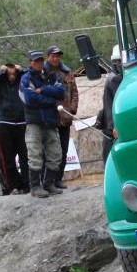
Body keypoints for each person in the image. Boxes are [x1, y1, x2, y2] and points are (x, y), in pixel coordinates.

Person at [21, 52, 70, 196]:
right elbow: (29, 99)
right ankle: (35, 187)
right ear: (30, 62)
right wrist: (50, 100)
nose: (39, 63)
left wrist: (43, 90)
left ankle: (49, 184)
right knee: (34, 153)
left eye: (40, 61)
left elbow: (61, 93)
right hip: (34, 121)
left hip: (50, 120)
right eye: (36, 61)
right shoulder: (25, 78)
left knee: (56, 153)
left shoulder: (51, 76)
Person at [0, 61, 29, 194]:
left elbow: (33, 75)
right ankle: (14, 185)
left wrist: (21, 70)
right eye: (9, 73)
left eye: (14, 73)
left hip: (22, 122)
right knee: (7, 158)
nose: (12, 76)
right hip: (5, 123)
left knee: (25, 156)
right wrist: (0, 73)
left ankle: (27, 184)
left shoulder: (22, 78)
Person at [46, 46, 79, 182]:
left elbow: (75, 92)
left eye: (58, 56)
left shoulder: (67, 72)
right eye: (53, 56)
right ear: (48, 57)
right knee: (51, 151)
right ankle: (49, 180)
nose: (56, 58)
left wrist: (72, 109)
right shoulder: (43, 72)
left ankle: (58, 179)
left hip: (65, 117)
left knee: (64, 150)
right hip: (50, 118)